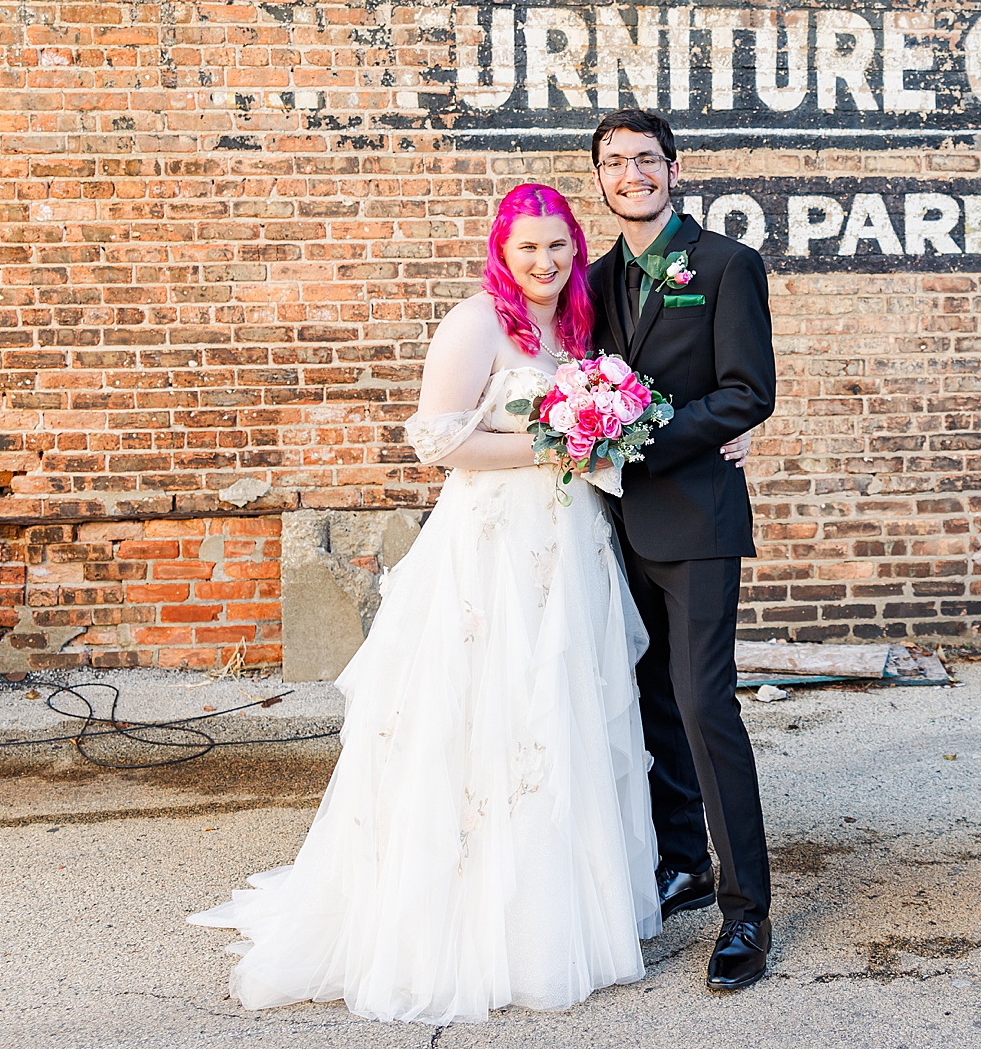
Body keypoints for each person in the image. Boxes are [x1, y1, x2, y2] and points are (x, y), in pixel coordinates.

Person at [187, 183, 747, 1024]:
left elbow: (655, 395)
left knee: (567, 715)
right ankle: (471, 915)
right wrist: (558, 440)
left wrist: (717, 428)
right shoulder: (477, 321)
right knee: (488, 714)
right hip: (493, 547)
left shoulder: (582, 321)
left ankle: (562, 908)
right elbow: (439, 437)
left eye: (558, 246)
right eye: (529, 248)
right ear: (502, 248)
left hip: (578, 544)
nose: (546, 262)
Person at [586, 109, 778, 993]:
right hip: (613, 525)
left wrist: (643, 437)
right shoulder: (589, 281)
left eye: (647, 159)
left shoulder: (728, 264)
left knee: (705, 707)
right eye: (616, 161)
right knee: (651, 702)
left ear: (675, 168)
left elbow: (748, 393)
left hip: (697, 521)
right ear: (599, 178)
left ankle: (747, 911)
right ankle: (683, 862)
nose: (633, 173)